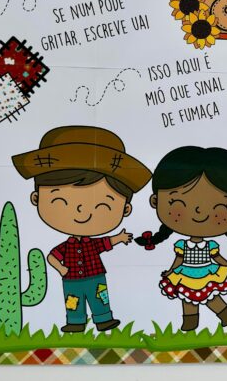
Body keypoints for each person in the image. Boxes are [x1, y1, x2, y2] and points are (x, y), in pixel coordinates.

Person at [12, 126, 151, 333]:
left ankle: (103, 319)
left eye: (103, 205)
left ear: (126, 209)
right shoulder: (65, 246)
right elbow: (52, 257)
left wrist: (120, 237)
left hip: (95, 277)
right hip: (71, 280)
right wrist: (61, 269)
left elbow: (105, 243)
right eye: (61, 201)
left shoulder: (92, 243)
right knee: (73, 301)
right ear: (36, 198)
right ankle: (75, 322)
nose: (81, 212)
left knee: (100, 299)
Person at [135, 146, 227, 331]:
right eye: (177, 203)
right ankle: (190, 322)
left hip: (207, 271)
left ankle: (226, 314)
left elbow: (217, 257)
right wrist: (171, 271)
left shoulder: (210, 245)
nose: (200, 212)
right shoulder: (181, 245)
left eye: (221, 207)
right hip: (185, 273)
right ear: (155, 201)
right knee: (187, 297)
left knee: (210, 296)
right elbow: (179, 259)